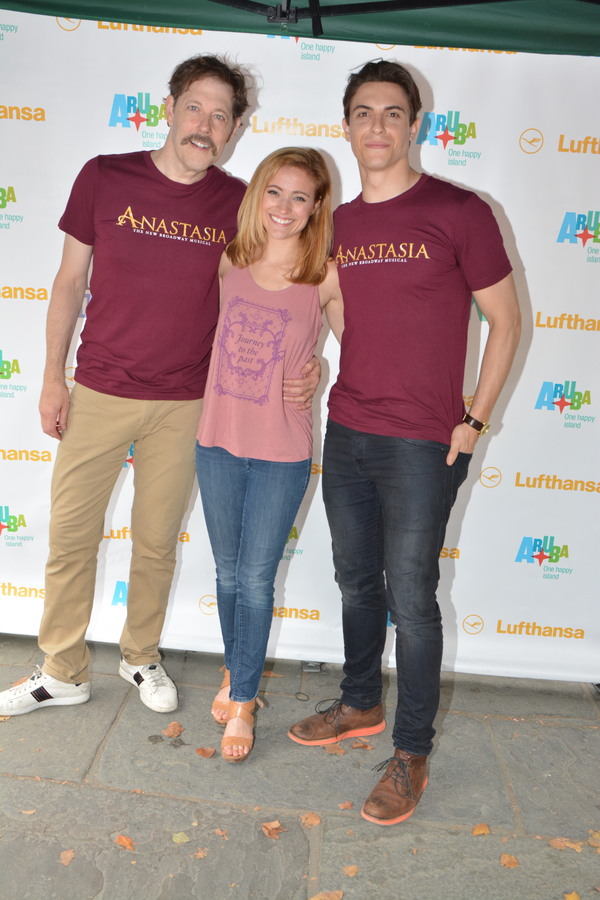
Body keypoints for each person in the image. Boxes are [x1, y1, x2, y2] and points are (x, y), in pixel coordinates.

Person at [0, 55, 319, 718]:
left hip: (187, 403)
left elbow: (284, 282)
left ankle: (141, 655)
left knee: (155, 540)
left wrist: (309, 360)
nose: (205, 124)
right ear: (169, 107)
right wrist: (52, 378)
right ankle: (62, 668)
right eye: (195, 107)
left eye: (221, 115)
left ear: (235, 129)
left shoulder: (238, 203)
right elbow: (67, 283)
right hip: (99, 389)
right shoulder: (104, 176)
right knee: (71, 536)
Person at [288, 60, 521, 825]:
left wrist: (474, 419)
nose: (378, 127)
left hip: (423, 444)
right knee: (357, 581)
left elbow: (507, 321)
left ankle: (412, 753)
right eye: (364, 113)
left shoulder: (460, 211)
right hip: (349, 429)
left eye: (394, 113)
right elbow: (338, 314)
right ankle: (360, 704)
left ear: (415, 124)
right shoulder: (340, 225)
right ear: (347, 125)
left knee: (413, 602)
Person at [196, 147, 343, 762]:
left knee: (255, 579)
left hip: (282, 449)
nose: (284, 207)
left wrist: (320, 368)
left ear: (316, 208)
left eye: (299, 197)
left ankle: (246, 697)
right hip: (217, 442)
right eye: (274, 192)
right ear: (258, 195)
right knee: (228, 574)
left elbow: (360, 346)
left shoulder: (325, 275)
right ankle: (236, 672)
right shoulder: (232, 258)